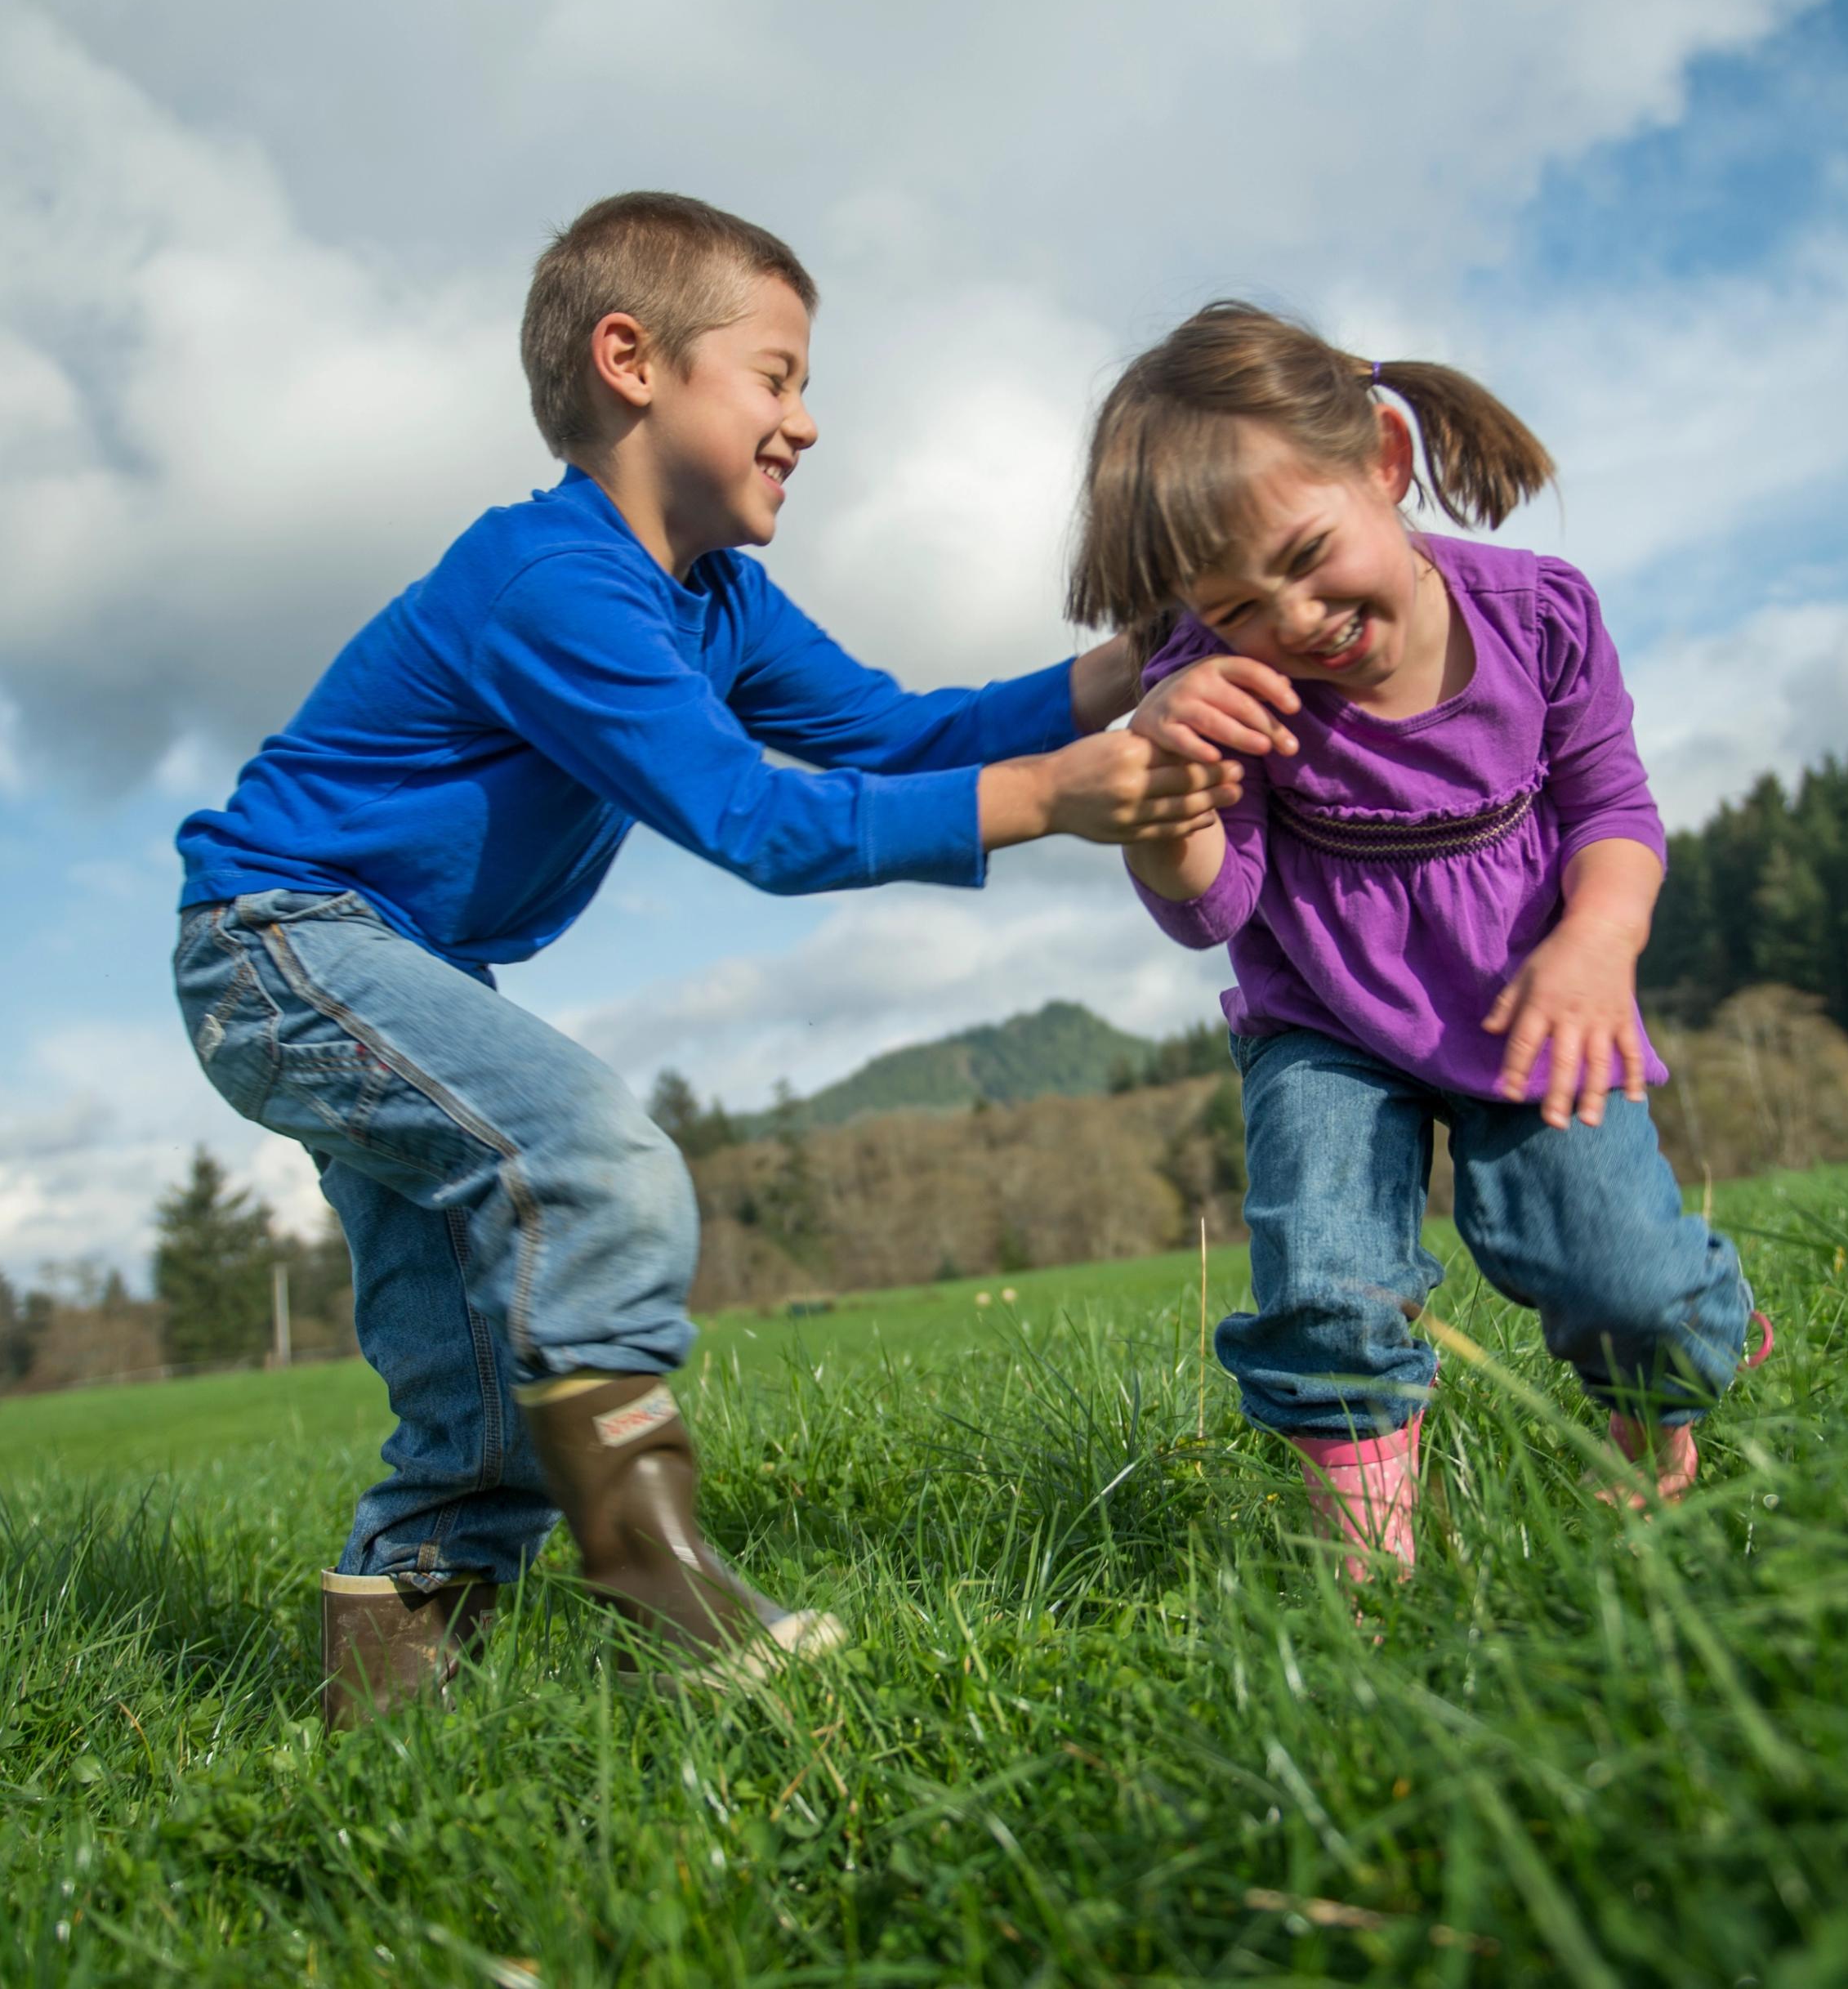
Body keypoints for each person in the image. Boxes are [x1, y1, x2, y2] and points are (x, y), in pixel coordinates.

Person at [175, 194, 1229, 1719]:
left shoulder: (713, 600)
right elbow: (758, 820)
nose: (809, 419)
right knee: (590, 1161)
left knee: (472, 1377)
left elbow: (888, 731)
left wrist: (1111, 676)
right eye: (779, 375)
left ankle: (390, 1731)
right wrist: (1047, 800)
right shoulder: (553, 583)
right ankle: (663, 1590)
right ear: (633, 362)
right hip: (278, 945)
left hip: (392, 967)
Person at [1070, 302, 1771, 1578]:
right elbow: (1210, 909)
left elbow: (1610, 805)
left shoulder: (1539, 620)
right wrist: (1163, 785)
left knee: (1624, 1280)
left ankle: (1669, 1389)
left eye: (1306, 553)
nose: (1291, 618)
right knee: (1326, 1279)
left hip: (1531, 1000)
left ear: (1385, 465)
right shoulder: (1223, 689)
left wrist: (1598, 941)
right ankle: (1369, 1560)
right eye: (1233, 606)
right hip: (1325, 1027)